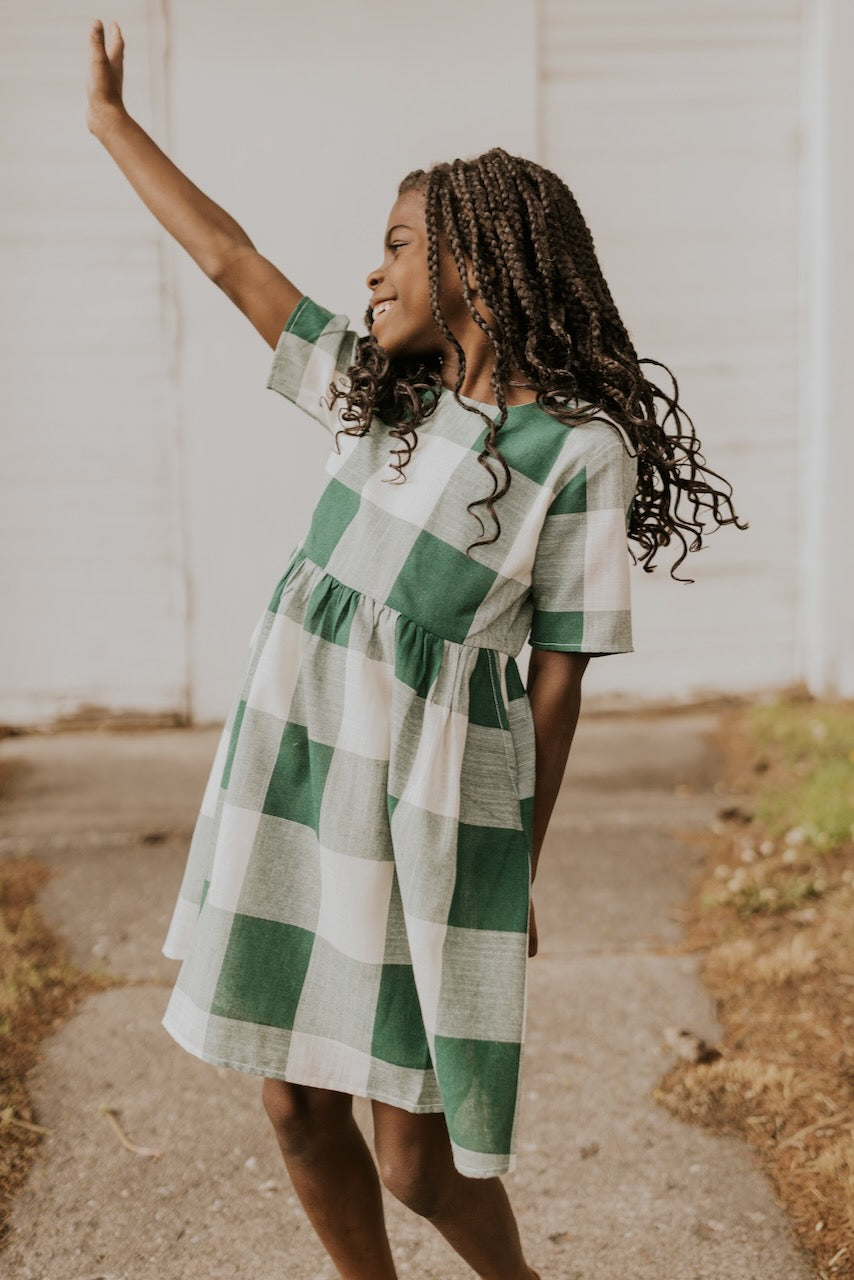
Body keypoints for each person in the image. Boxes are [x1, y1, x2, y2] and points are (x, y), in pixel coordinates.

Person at [86, 18, 744, 1280]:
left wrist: (517, 866)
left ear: (480, 263)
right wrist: (112, 121)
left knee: (416, 1155)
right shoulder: (369, 397)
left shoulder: (576, 452)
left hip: (427, 815)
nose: (372, 275)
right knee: (288, 1102)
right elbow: (229, 259)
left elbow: (557, 677)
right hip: (293, 777)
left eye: (397, 247)